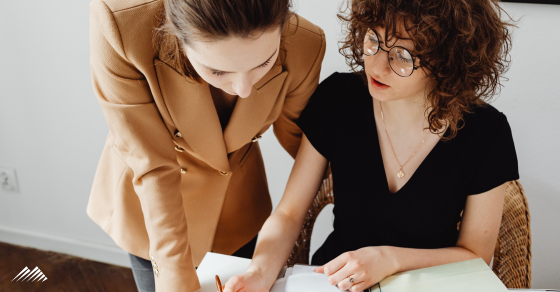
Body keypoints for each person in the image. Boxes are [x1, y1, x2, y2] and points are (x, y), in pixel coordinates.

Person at [224, 0, 518, 291]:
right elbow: (289, 214)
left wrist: (389, 259)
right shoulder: (339, 99)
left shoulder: (486, 132)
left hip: (428, 284)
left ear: (447, 62)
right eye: (374, 40)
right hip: (334, 282)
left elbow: (476, 255)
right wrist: (259, 273)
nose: (376, 66)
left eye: (402, 56)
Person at [86, 0, 326, 290]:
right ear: (176, 34)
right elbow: (150, 161)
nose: (243, 89)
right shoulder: (122, 25)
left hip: (239, 208)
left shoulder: (305, 45)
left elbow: (305, 144)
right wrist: (173, 269)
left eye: (264, 62)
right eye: (218, 72)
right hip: (154, 211)